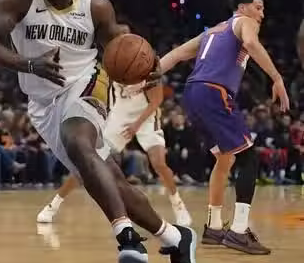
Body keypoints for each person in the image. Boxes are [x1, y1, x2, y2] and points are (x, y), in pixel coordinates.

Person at [0, 0, 196, 263]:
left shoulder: (96, 5)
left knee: (77, 140)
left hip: (87, 82)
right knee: (107, 178)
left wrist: (148, 65)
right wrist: (29, 64)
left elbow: (121, 46)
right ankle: (174, 237)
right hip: (42, 101)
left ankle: (126, 236)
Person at [160, 0, 289, 255]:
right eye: (258, 7)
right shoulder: (245, 22)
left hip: (192, 95)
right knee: (249, 158)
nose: (262, 14)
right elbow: (251, 44)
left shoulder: (211, 32)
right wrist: (277, 78)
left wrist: (144, 76)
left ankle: (214, 227)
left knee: (225, 159)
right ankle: (239, 232)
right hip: (213, 92)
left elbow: (175, 55)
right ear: (242, 8)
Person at [38, 77, 192, 226]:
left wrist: (136, 125)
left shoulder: (149, 66)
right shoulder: (111, 64)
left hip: (146, 118)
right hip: (119, 117)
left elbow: (156, 100)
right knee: (89, 162)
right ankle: (53, 205)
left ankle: (178, 205)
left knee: (159, 164)